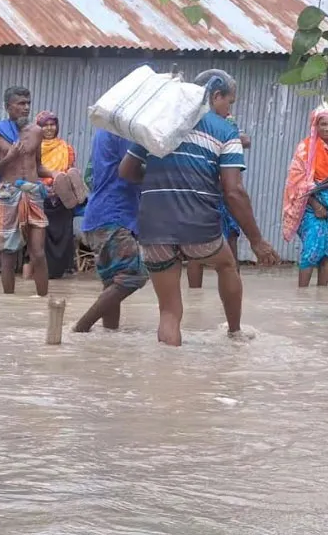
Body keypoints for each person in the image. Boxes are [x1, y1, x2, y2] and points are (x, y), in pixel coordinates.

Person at [119, 69, 279, 346]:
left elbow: (127, 171)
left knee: (169, 312)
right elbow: (234, 191)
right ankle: (234, 333)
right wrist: (257, 240)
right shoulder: (225, 130)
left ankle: (170, 380)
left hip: (154, 226)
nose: (229, 109)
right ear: (216, 96)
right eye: (229, 102)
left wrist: (163, 178)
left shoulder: (157, 123)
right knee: (227, 264)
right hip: (199, 226)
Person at [0, 86, 54, 296]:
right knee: (8, 254)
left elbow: (37, 166)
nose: (26, 108)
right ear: (8, 107)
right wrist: (8, 159)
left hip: (33, 193)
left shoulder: (37, 132)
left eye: (28, 103)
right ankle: (9, 305)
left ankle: (44, 304)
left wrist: (56, 174)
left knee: (38, 253)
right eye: (21, 103)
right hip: (8, 194)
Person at [74, 128, 146, 333]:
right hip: (114, 215)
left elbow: (90, 176)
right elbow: (130, 170)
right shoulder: (123, 134)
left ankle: (108, 337)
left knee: (113, 282)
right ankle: (80, 329)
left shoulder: (103, 132)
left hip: (99, 215)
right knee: (133, 276)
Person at [282, 109, 328, 288]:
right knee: (312, 249)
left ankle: (321, 297)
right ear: (316, 126)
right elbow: (297, 181)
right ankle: (302, 297)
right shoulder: (306, 148)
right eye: (323, 124)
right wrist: (316, 204)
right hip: (310, 205)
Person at [187, 119, 250, 289]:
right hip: (204, 195)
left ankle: (232, 290)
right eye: (229, 101)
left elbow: (246, 141)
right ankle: (195, 295)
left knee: (231, 241)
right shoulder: (197, 125)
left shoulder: (227, 125)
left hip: (224, 196)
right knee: (195, 249)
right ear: (216, 98)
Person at [33, 111, 79, 280]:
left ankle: (60, 271)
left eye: (52, 124)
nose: (49, 128)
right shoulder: (33, 147)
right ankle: (42, 271)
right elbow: (30, 171)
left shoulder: (66, 148)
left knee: (64, 233)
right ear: (38, 127)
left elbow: (70, 167)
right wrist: (45, 185)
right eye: (45, 125)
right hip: (39, 196)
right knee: (40, 235)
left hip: (61, 198)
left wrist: (61, 184)